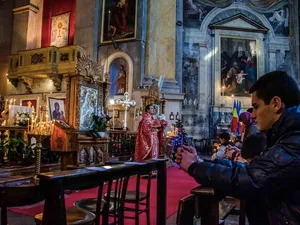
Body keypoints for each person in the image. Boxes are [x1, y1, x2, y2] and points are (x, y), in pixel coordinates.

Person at [175, 71, 300, 225]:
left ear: (275, 104)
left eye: (255, 107)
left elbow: (251, 178)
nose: (252, 115)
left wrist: (194, 167)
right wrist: (199, 162)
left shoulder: (294, 140)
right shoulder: (284, 134)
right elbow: (255, 169)